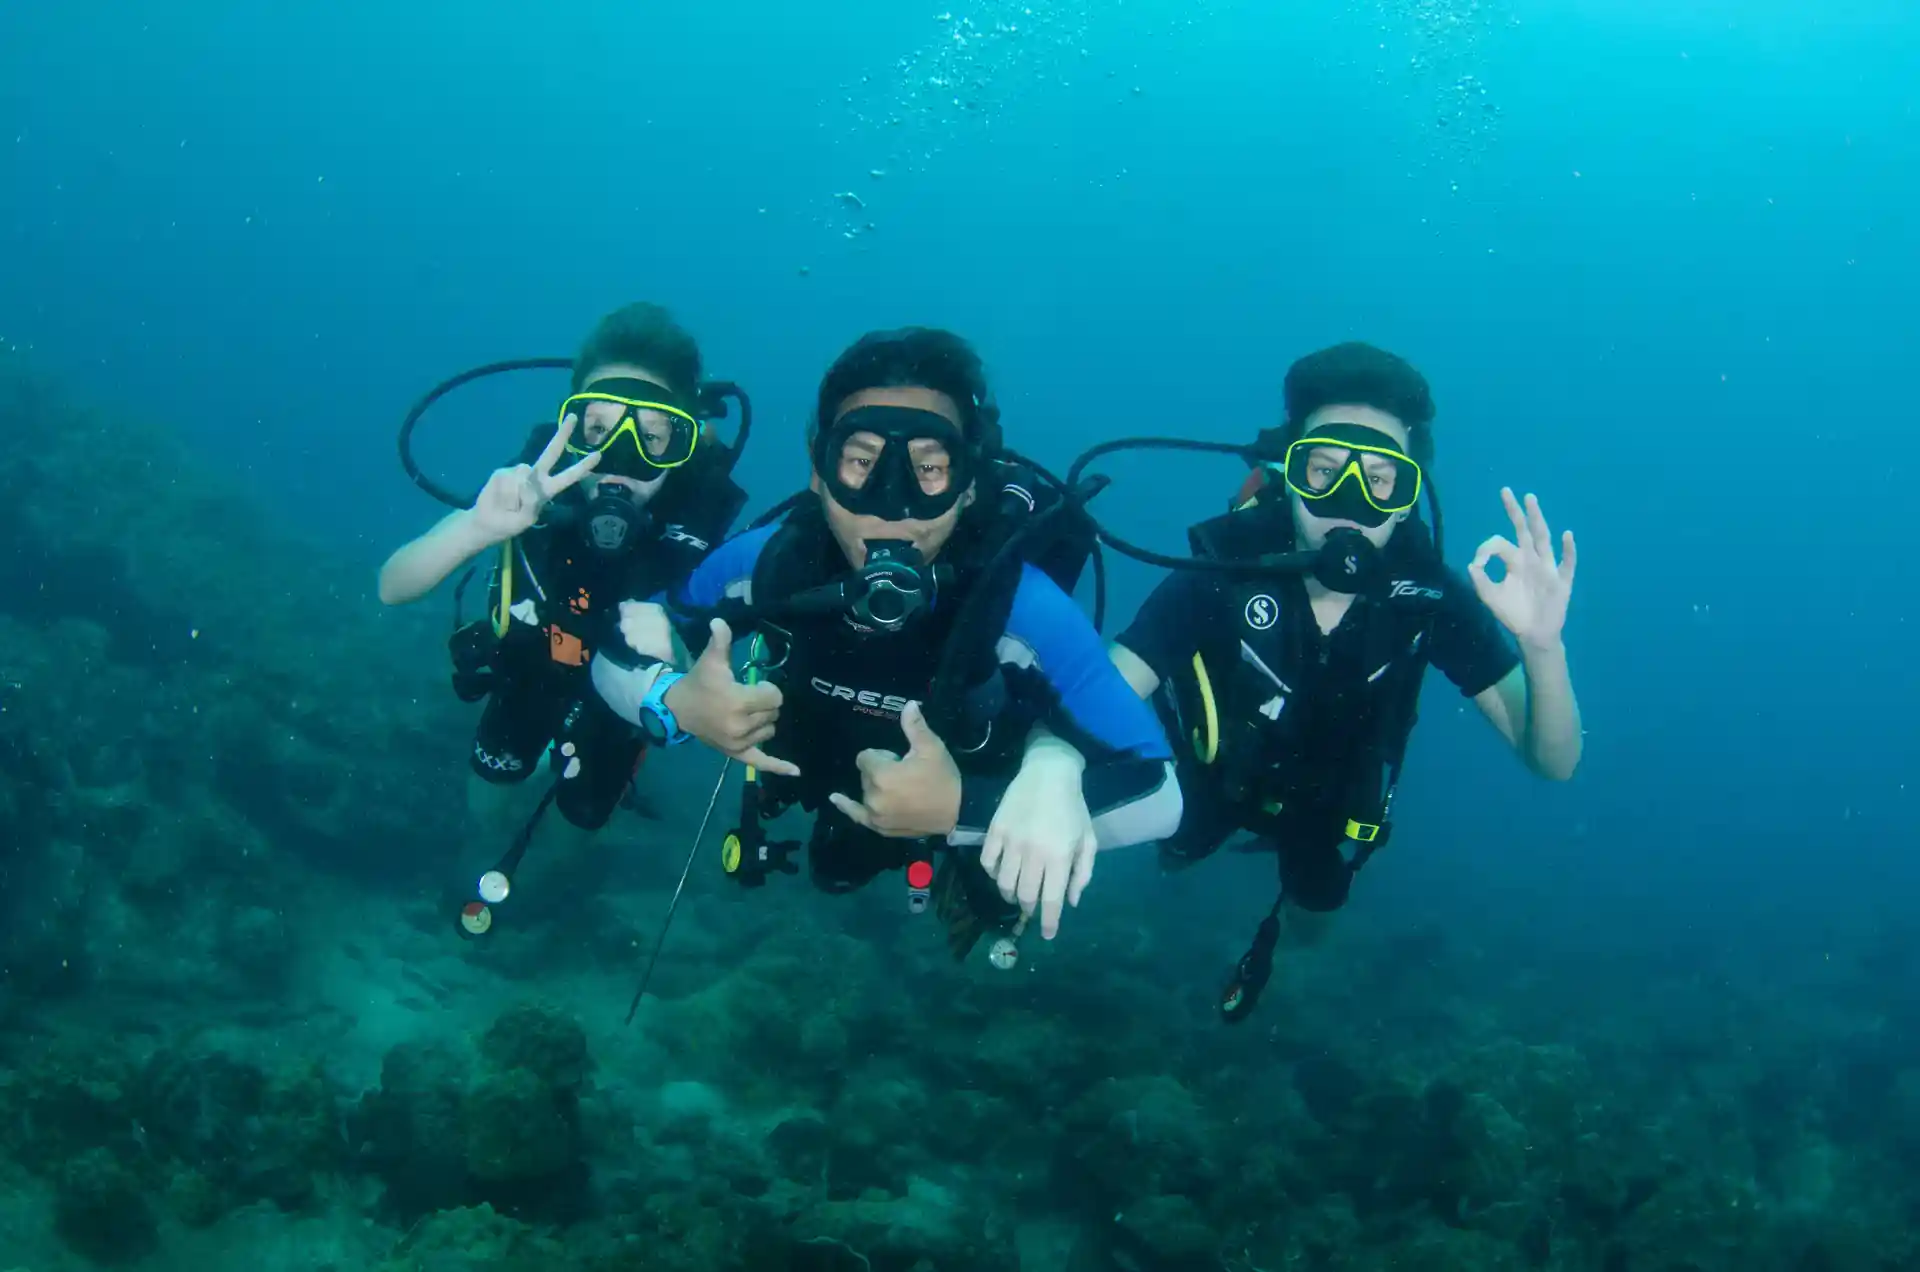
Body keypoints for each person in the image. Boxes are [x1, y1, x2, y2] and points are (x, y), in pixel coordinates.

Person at [591, 327, 1181, 951]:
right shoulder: (770, 563)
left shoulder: (1018, 604)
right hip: (817, 778)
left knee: (983, 892)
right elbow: (632, 634)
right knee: (836, 871)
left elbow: (1159, 797)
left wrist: (967, 810)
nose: (891, 506)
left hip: (959, 800)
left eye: (929, 467)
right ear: (818, 470)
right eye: (860, 461)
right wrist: (673, 700)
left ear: (970, 481)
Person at [1102, 341, 1582, 1020]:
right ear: (1289, 472)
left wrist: (1542, 646)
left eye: (1381, 481)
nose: (1349, 504)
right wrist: (1050, 767)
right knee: (1176, 850)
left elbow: (1554, 762)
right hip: (1214, 775)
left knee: (1315, 910)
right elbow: (1105, 691)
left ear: (1409, 493)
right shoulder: (1225, 573)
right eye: (1324, 470)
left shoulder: (1430, 599)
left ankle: (1296, 918)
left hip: (1335, 804)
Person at [378, 302, 748, 853]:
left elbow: (706, 683)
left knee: (579, 825)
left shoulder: (699, 513)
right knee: (489, 797)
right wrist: (476, 528)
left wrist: (680, 659)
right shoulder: (531, 487)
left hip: (619, 708)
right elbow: (393, 584)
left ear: (684, 439)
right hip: (527, 671)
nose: (619, 457)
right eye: (598, 428)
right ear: (569, 427)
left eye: (652, 435)